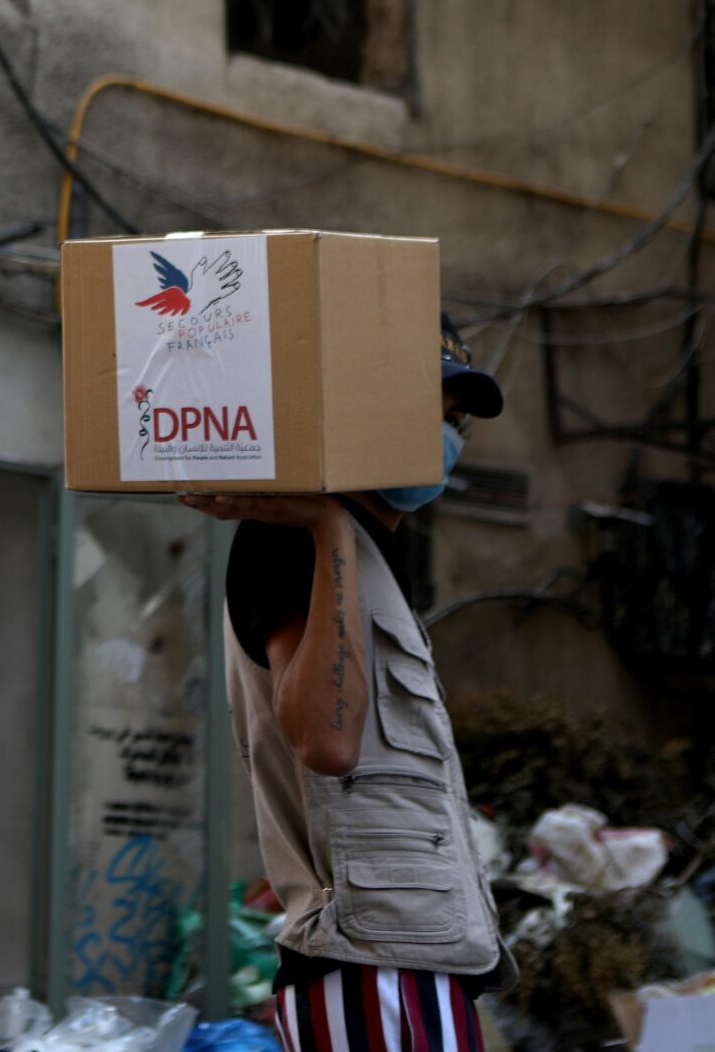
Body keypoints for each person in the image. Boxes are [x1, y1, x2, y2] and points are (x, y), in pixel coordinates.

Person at [182, 315, 516, 1052]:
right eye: (432, 409)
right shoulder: (296, 541)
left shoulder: (369, 553)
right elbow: (326, 741)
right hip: (372, 967)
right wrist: (328, 527)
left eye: (457, 418)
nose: (450, 433)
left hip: (414, 960)